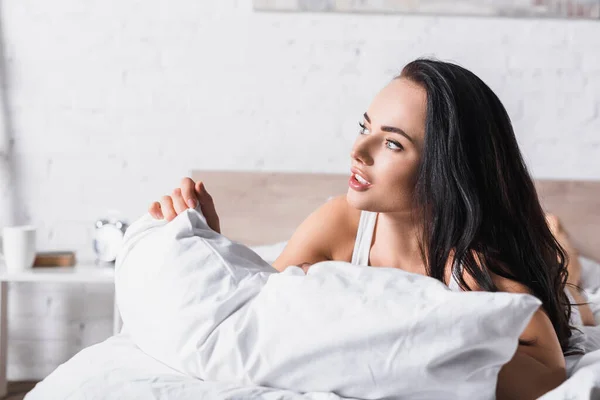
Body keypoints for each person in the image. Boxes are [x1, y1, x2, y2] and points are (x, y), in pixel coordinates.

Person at [147, 58, 592, 399]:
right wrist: (218, 246)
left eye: (392, 143)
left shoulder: (473, 266)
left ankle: (557, 237)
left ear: (447, 170)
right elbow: (255, 314)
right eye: (365, 127)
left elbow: (548, 370)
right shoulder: (339, 222)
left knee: (575, 297)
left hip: (526, 266)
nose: (358, 150)